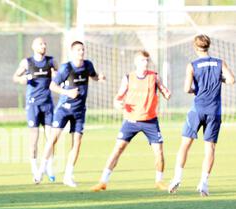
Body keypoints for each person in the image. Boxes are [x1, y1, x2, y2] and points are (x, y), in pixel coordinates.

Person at [91, 50, 171, 192]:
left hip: (150, 121)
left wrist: (167, 93)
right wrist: (118, 103)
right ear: (136, 62)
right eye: (142, 60)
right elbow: (118, 97)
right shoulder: (128, 78)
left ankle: (159, 180)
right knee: (118, 149)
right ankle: (103, 181)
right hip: (131, 120)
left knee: (159, 151)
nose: (145, 63)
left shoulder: (154, 77)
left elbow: (164, 90)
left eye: (147, 60)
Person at [168, 34, 234, 196]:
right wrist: (220, 80)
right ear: (208, 46)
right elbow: (232, 80)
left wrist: (195, 89)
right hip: (214, 111)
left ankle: (177, 177)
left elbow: (186, 89)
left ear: (195, 47)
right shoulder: (220, 62)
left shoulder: (192, 65)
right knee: (210, 147)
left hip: (197, 110)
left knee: (185, 144)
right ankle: (203, 183)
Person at [36, 40, 105, 187]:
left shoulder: (88, 65)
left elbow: (93, 75)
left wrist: (99, 78)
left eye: (82, 50)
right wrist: (67, 92)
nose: (81, 52)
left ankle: (68, 175)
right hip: (64, 109)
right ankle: (41, 169)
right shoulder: (66, 68)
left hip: (80, 111)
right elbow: (52, 85)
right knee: (53, 139)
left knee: (77, 143)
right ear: (72, 52)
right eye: (78, 50)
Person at [13, 37, 58, 183]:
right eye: (40, 44)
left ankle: (49, 167)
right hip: (33, 105)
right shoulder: (27, 62)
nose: (43, 46)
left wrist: (57, 78)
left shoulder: (51, 61)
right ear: (33, 46)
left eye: (45, 43)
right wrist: (24, 79)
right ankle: (34, 169)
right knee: (34, 139)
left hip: (47, 104)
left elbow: (59, 75)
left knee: (51, 138)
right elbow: (15, 77)